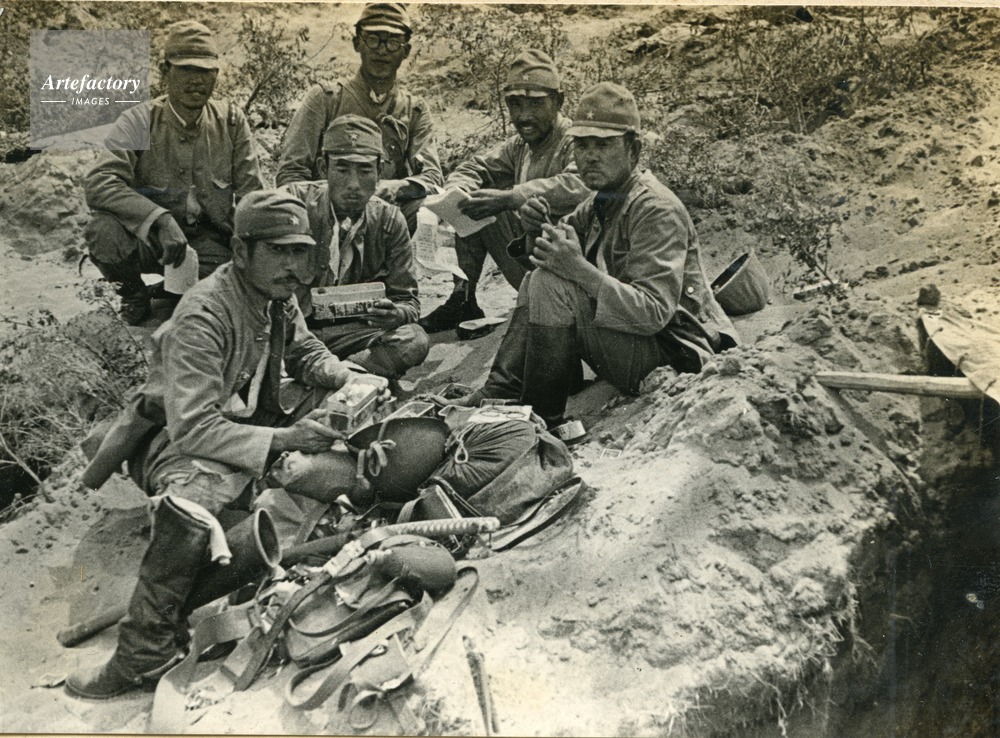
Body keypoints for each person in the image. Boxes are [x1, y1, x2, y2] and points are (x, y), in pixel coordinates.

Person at [65, 190, 386, 700]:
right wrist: (283, 440)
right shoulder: (203, 314)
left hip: (248, 417)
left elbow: (303, 348)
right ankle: (144, 649)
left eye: (299, 251)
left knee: (360, 403)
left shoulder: (274, 293)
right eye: (277, 251)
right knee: (191, 502)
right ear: (240, 251)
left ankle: (278, 507)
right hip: (173, 439)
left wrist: (342, 376)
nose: (292, 264)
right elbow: (193, 428)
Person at [459, 82, 738, 429]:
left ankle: (540, 418)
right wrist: (534, 231)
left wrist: (578, 269)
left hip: (679, 356)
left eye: (604, 145)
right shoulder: (601, 200)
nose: (590, 156)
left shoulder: (656, 209)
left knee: (552, 285)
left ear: (634, 150)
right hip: (644, 342)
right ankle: (503, 389)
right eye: (582, 145)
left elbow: (653, 313)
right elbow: (543, 261)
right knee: (540, 278)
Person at [84, 20, 264, 325]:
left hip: (209, 244)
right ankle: (134, 294)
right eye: (186, 69)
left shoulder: (231, 122)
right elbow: (100, 182)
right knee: (104, 233)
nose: (197, 80)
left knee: (214, 301)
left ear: (216, 75)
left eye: (205, 71)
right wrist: (160, 220)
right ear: (165, 71)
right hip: (151, 240)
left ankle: (173, 292)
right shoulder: (139, 121)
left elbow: (252, 197)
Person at [418, 49, 589, 333]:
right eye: (515, 104)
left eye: (536, 104)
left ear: (559, 101)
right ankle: (463, 298)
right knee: (477, 198)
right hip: (533, 264)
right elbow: (474, 167)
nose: (524, 116)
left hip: (575, 274)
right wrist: (457, 191)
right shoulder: (520, 145)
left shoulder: (577, 141)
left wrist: (511, 198)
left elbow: (579, 184)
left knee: (497, 198)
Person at [282, 115, 428, 384]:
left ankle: (339, 377)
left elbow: (408, 301)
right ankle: (350, 380)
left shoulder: (389, 220)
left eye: (364, 171)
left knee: (414, 340)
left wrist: (394, 314)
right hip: (294, 331)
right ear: (323, 168)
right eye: (342, 169)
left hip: (353, 334)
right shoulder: (294, 204)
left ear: (380, 172)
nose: (353, 184)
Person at [275, 2, 442, 233]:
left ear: (406, 51)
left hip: (386, 217)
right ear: (357, 43)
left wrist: (392, 188)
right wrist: (336, 196)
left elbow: (432, 177)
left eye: (393, 42)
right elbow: (291, 174)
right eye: (373, 39)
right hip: (327, 215)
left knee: (427, 209)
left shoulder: (414, 110)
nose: (382, 50)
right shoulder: (326, 99)